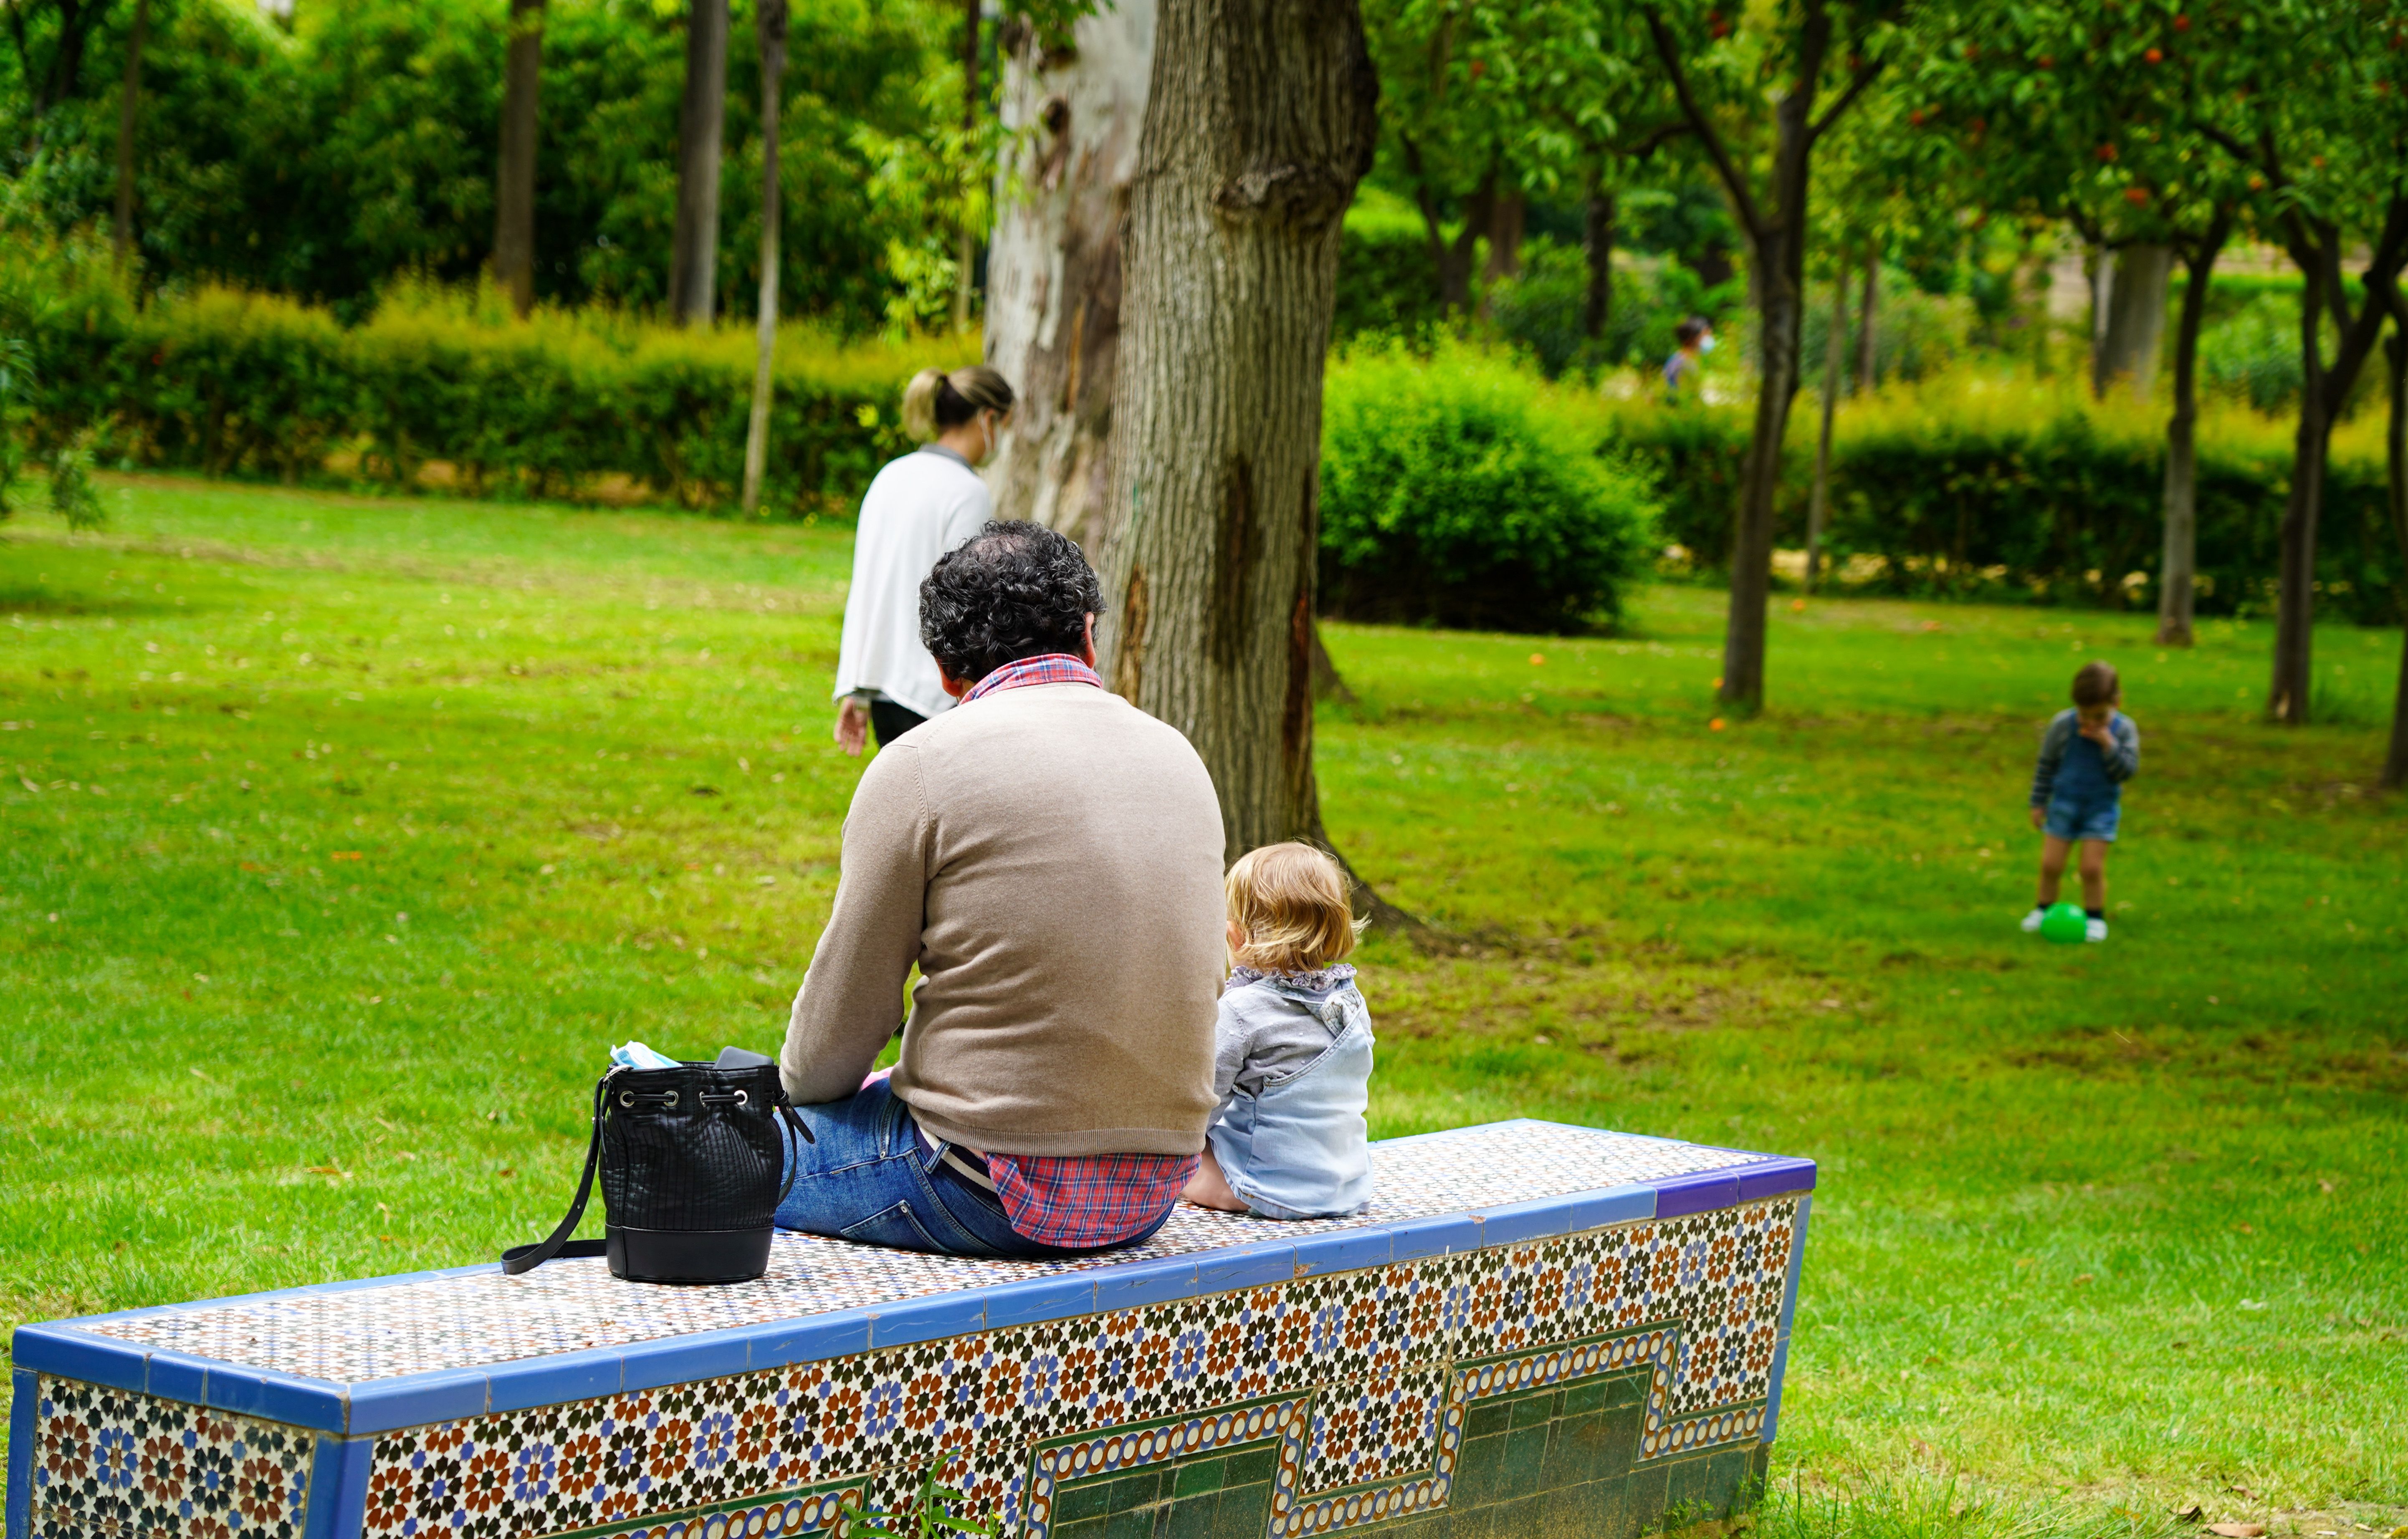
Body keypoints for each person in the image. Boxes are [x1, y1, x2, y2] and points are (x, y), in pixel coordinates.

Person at [775, 521, 1227, 1257]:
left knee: (718, 1145)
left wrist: (794, 1102)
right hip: (1155, 1190)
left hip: (984, 1186)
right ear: (1086, 635)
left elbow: (834, 1037)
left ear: (945, 670)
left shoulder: (922, 763)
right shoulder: (1178, 755)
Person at [1182, 843, 1376, 1220]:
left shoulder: (1240, 1011)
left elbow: (1200, 1106)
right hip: (1346, 1187)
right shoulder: (1351, 1003)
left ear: (1235, 937)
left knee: (1176, 1164)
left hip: (1271, 1189)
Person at [830, 365, 1016, 756]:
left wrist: (855, 686)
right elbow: (968, 599)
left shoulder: (890, 476)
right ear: (988, 419)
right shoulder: (967, 491)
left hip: (881, 687)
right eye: (1005, 426)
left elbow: (866, 584)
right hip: (934, 695)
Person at [2022, 661, 2140, 943]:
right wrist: (2038, 802)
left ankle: (2095, 918)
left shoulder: (2124, 730)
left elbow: (2127, 771)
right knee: (2050, 864)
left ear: (2116, 702)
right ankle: (2043, 909)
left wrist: (2108, 744)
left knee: (2091, 868)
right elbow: (2046, 765)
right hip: (2064, 805)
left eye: (2098, 715)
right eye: (2084, 714)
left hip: (2100, 809)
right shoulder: (2063, 725)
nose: (2090, 722)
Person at [1662, 316, 1714, 400]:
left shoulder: (1678, 359)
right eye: (1705, 335)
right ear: (1693, 338)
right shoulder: (1684, 364)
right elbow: (1687, 397)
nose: (1708, 339)